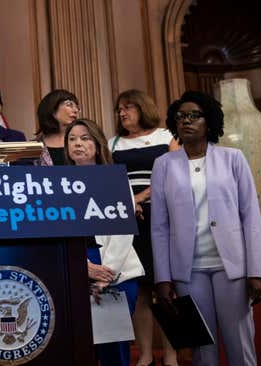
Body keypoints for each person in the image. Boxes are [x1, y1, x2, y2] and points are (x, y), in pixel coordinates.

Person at [151, 91, 261, 366]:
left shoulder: (233, 158)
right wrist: (163, 277)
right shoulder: (163, 165)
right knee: (202, 348)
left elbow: (250, 215)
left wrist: (257, 270)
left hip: (232, 267)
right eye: (180, 117)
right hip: (188, 269)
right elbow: (159, 226)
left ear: (210, 121)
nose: (186, 121)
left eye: (195, 116)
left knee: (239, 342)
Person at [108, 89, 180, 366]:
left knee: (166, 288)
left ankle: (172, 354)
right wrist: (128, 201)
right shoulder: (114, 143)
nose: (123, 113)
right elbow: (109, 181)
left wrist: (139, 197)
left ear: (143, 108)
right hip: (130, 221)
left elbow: (173, 174)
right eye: (119, 109)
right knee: (139, 289)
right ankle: (147, 355)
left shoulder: (165, 137)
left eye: (128, 107)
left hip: (163, 218)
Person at [65, 118, 144, 366]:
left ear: (98, 145)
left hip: (116, 272)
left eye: (85, 138)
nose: (77, 143)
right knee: (78, 348)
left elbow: (122, 235)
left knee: (114, 352)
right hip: (76, 267)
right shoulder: (58, 184)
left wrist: (104, 275)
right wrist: (82, 266)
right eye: (72, 139)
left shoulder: (115, 179)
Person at [35, 89, 80, 165]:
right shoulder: (35, 146)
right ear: (52, 109)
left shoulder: (83, 142)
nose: (75, 110)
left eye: (77, 107)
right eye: (69, 105)